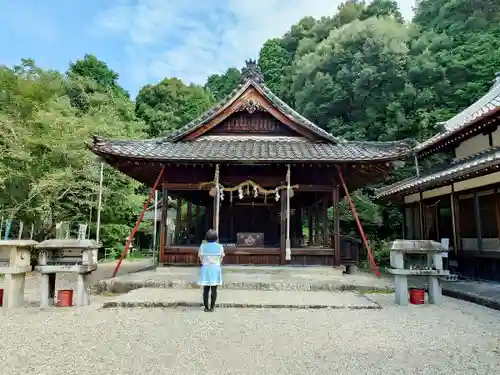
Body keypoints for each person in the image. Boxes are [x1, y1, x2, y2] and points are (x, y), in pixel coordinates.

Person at [198, 229, 224, 312]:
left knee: (206, 289)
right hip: (215, 269)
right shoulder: (220, 247)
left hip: (206, 268)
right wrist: (217, 264)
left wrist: (204, 263)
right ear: (216, 238)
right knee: (214, 289)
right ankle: (212, 307)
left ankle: (206, 307)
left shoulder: (202, 246)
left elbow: (200, 257)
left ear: (206, 238)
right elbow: (221, 257)